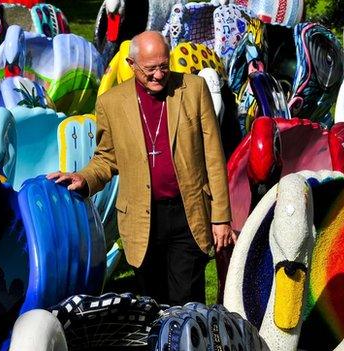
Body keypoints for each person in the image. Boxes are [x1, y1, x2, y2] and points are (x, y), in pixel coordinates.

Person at [47, 31, 235, 305]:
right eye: (150, 69)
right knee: (152, 305)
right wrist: (83, 178)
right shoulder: (111, 103)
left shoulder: (194, 89)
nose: (159, 75)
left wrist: (221, 217)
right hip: (141, 219)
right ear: (132, 64)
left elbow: (214, 158)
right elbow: (106, 158)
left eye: (164, 66)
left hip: (188, 213)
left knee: (187, 303)